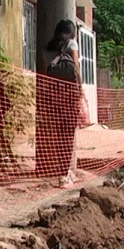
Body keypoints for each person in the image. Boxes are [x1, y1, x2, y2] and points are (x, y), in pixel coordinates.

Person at [44, 19, 82, 188]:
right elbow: (76, 69)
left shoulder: (49, 48)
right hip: (69, 96)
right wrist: (80, 90)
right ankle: (65, 174)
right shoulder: (72, 44)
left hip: (54, 96)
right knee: (68, 136)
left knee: (59, 134)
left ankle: (64, 172)